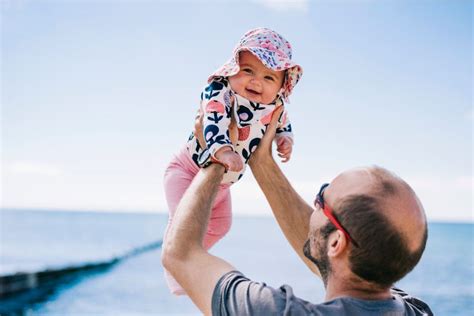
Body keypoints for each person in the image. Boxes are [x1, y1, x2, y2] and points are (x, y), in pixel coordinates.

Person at [161, 106, 433, 315]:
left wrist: (216, 156)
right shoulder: (415, 310)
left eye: (322, 197)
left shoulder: (276, 311)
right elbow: (331, 252)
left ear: (338, 243)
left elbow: (180, 254)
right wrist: (262, 162)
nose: (314, 203)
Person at [162, 27, 303, 295]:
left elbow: (283, 123)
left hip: (222, 186)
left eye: (268, 76)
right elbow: (212, 120)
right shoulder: (221, 91)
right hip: (187, 170)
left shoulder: (275, 105)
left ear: (282, 84)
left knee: (221, 225)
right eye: (248, 70)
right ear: (233, 68)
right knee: (181, 221)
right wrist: (223, 151)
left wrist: (285, 139)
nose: (256, 81)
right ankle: (175, 269)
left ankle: (193, 254)